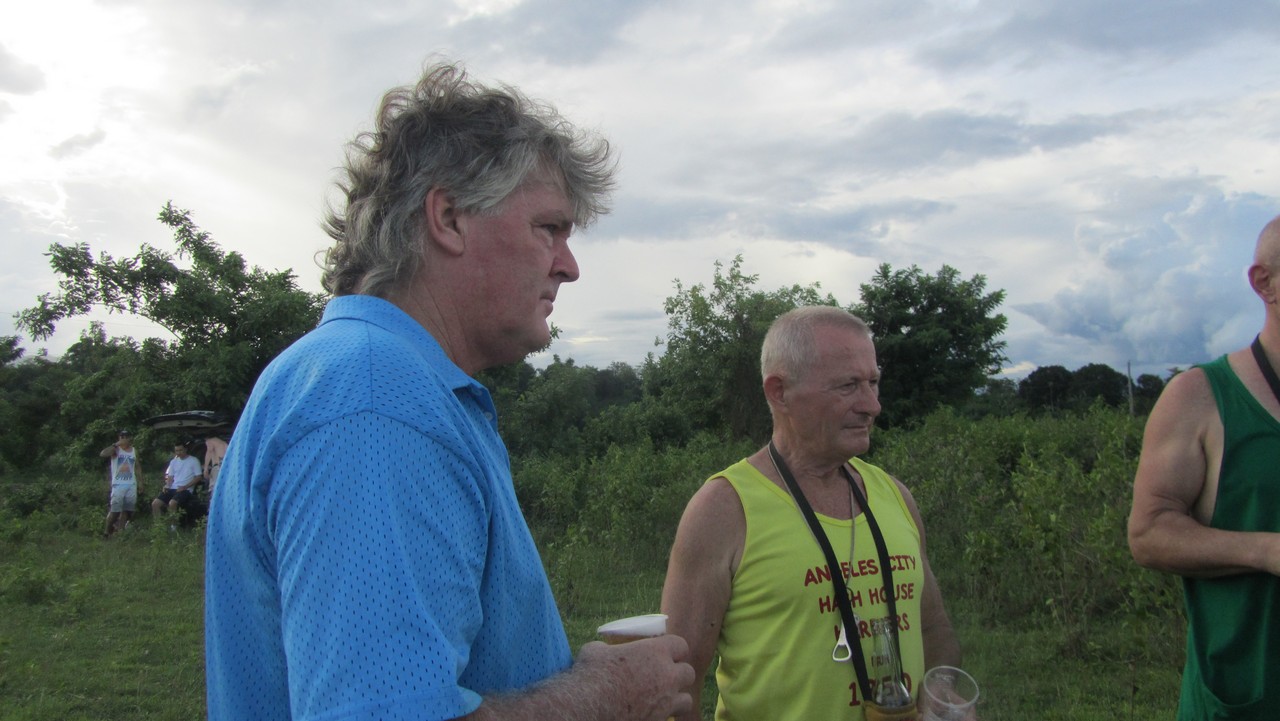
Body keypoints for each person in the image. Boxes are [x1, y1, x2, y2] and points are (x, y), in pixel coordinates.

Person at [204, 61, 693, 721]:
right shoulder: (375, 399)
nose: (569, 266)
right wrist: (606, 698)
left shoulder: (364, 379)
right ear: (450, 217)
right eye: (549, 228)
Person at [662, 305, 963, 720]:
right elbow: (679, 679)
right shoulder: (724, 509)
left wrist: (941, 689)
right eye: (848, 386)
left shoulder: (895, 496)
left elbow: (933, 628)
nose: (872, 405)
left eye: (873, 382)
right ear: (779, 392)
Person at [1128, 214, 1280, 720]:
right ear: (1264, 283)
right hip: (1247, 693)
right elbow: (1149, 533)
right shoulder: (1200, 396)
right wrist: (1267, 550)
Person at [99, 430, 141, 538]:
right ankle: (107, 532)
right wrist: (116, 444)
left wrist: (141, 482)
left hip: (131, 483)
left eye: (126, 436)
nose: (124, 438)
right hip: (118, 484)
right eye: (122, 436)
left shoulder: (134, 451)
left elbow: (137, 466)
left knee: (128, 510)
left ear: (130, 438)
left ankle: (120, 532)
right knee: (115, 510)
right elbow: (103, 454)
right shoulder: (115, 450)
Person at [152, 442, 203, 519]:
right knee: (155, 504)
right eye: (177, 451)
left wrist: (185, 487)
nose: (179, 453)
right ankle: (158, 524)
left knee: (172, 503)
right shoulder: (173, 462)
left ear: (185, 449)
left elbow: (198, 477)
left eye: (181, 450)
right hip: (173, 488)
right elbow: (170, 477)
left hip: (186, 490)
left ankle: (173, 524)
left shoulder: (194, 460)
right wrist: (167, 485)